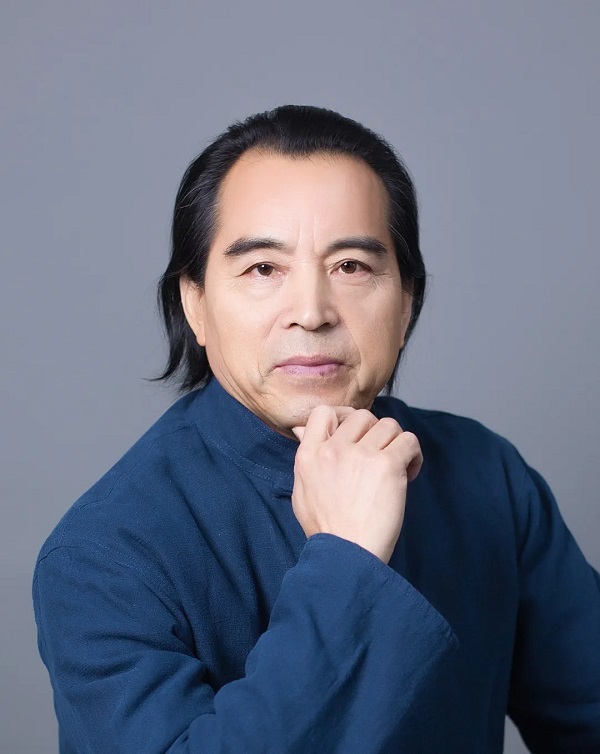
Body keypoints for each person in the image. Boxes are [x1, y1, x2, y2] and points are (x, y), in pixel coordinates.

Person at [33, 105, 600, 754]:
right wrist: (347, 560)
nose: (310, 311)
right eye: (262, 269)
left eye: (351, 266)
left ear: (408, 300)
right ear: (196, 304)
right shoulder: (100, 557)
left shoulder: (486, 475)